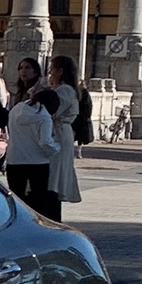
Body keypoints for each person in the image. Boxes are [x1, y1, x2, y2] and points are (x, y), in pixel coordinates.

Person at [4, 85, 61, 218]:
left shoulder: (16, 109)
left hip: (14, 159)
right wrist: (56, 148)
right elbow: (45, 141)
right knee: (38, 200)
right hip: (38, 162)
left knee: (17, 197)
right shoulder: (44, 116)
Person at [45, 53, 84, 210]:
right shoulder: (63, 89)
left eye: (52, 69)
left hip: (59, 132)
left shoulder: (65, 90)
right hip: (61, 131)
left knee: (56, 171)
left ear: (60, 71)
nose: (50, 73)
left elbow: (53, 111)